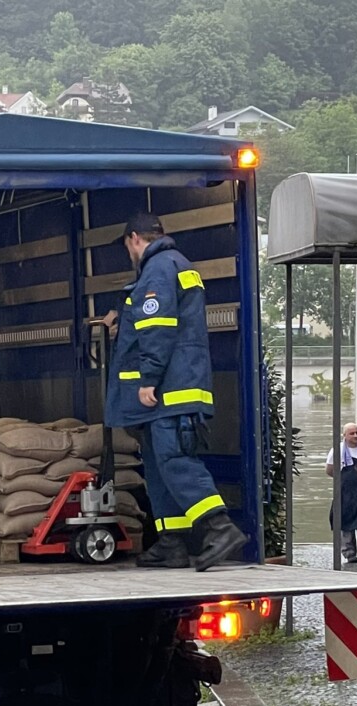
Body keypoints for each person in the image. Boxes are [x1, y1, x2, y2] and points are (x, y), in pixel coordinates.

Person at [103, 211, 247, 571]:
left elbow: (158, 327)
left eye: (127, 247)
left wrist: (147, 378)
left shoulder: (159, 267)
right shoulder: (175, 266)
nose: (129, 254)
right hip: (171, 391)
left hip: (169, 391)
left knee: (175, 461)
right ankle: (171, 542)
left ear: (135, 238)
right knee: (157, 465)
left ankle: (219, 527)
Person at [326, 422, 357, 563]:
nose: (355, 436)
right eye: (352, 433)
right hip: (344, 495)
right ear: (345, 435)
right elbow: (330, 470)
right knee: (345, 525)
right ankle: (349, 553)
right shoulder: (337, 450)